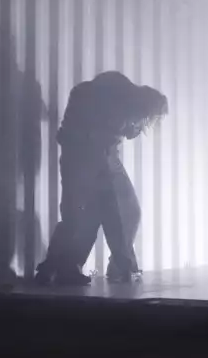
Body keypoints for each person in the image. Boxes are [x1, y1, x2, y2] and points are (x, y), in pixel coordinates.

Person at [34, 71, 168, 286]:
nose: (149, 122)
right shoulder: (119, 99)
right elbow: (108, 131)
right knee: (93, 215)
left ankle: (65, 267)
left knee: (96, 215)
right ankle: (78, 267)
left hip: (94, 155)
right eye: (151, 116)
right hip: (90, 156)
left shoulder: (116, 94)